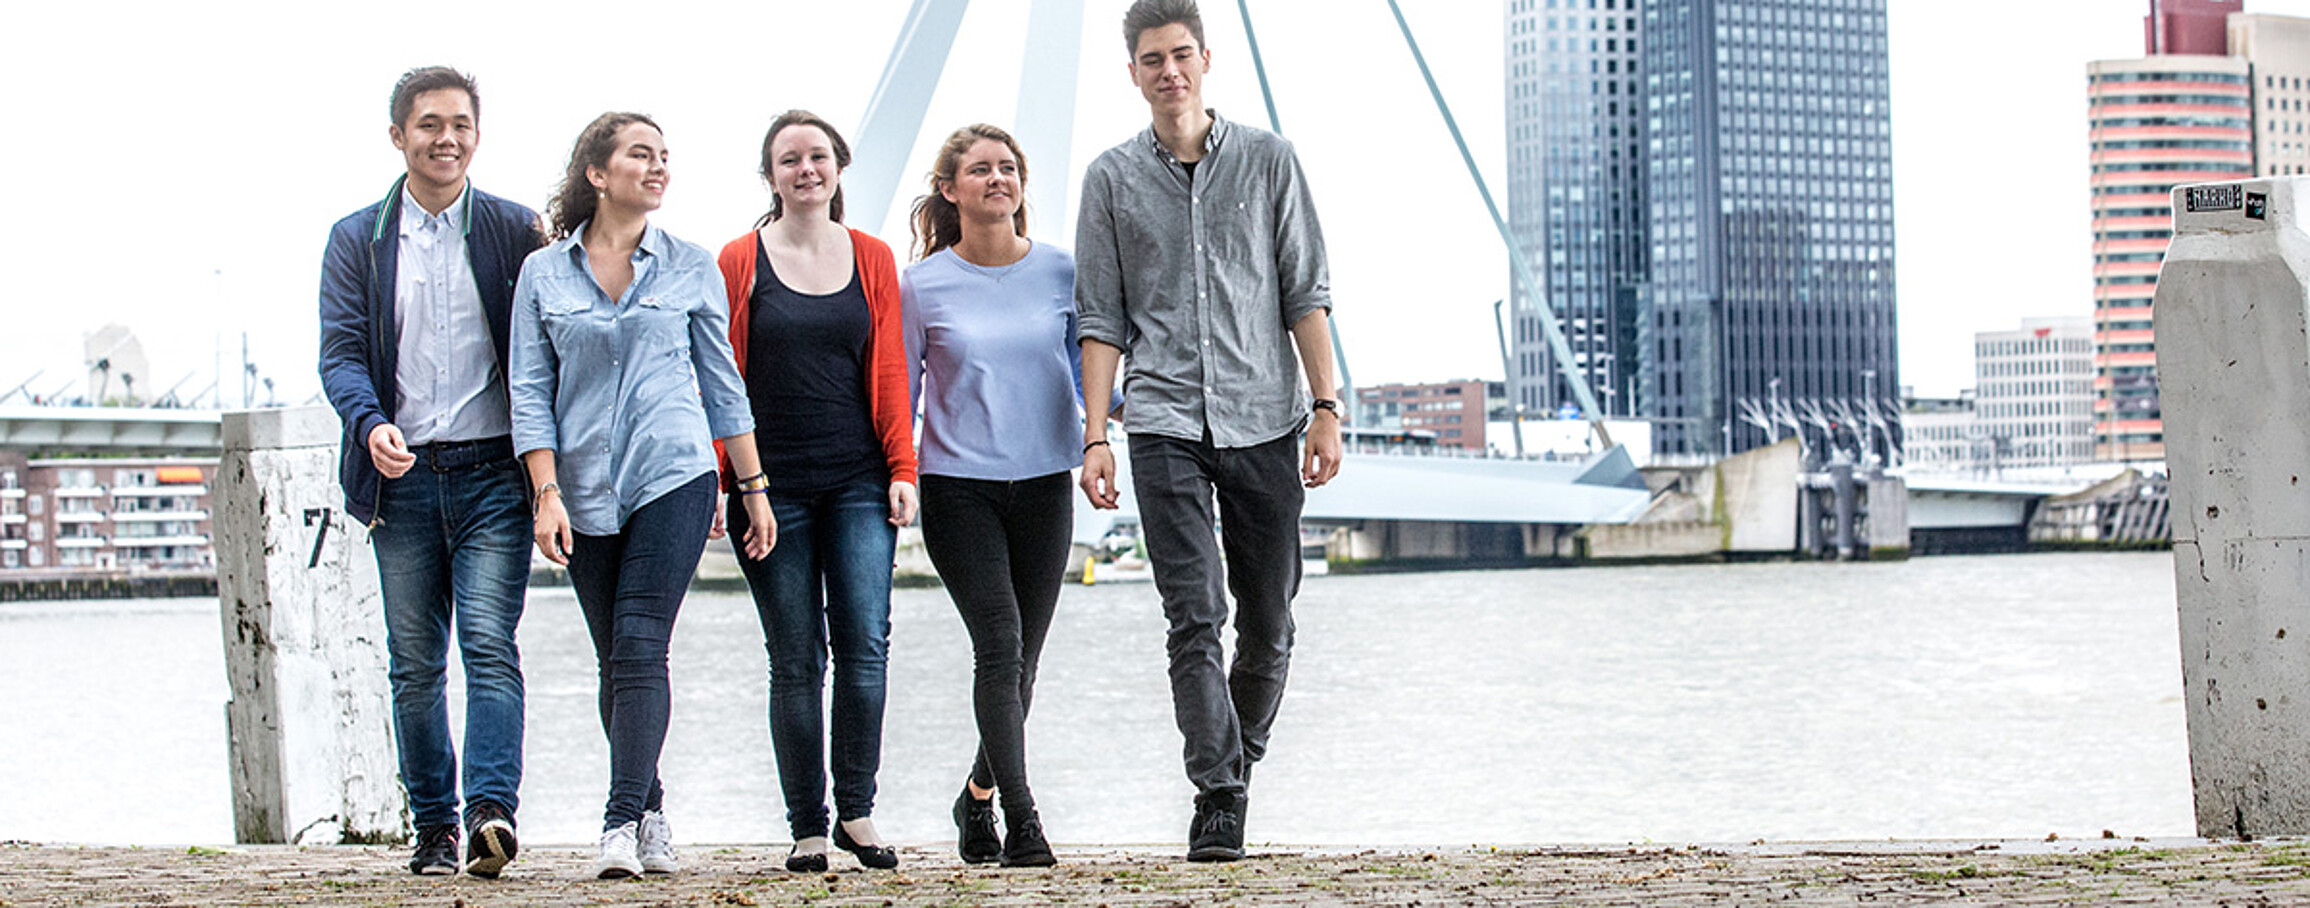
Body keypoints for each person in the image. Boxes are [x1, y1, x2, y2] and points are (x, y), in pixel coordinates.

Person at [1074, 0, 1344, 864]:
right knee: (1193, 616)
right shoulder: (1110, 180)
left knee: (1270, 622)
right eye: (1151, 59)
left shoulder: (1271, 161)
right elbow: (1101, 320)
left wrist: (1328, 407)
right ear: (1134, 74)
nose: (1168, 71)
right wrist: (1095, 435)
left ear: (1206, 59)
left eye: (1181, 54)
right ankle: (1218, 795)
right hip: (1160, 423)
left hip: (1267, 418)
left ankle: (1239, 764)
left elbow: (1305, 291)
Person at [508, 111, 776, 880]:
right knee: (615, 660)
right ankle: (652, 810)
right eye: (641, 154)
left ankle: (619, 823)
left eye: (665, 156)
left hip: (676, 474)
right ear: (598, 173)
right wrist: (545, 493)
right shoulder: (544, 275)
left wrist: (752, 486)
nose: (659, 167)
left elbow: (724, 386)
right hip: (583, 488)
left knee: (637, 643)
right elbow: (529, 391)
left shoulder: (689, 266)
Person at [317, 65, 542, 879]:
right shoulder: (358, 239)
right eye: (428, 125)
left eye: (459, 124)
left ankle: (491, 812)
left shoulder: (517, 230)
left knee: (489, 643)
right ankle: (434, 829)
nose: (445, 139)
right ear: (398, 136)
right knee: (415, 664)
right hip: (400, 478)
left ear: (476, 134)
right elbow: (340, 354)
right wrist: (369, 423)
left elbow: (546, 349)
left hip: (492, 477)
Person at [716, 110, 918, 873]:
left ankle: (858, 814)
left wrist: (903, 469)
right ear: (770, 176)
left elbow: (892, 369)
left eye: (819, 156)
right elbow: (721, 376)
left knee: (865, 645)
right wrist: (725, 479)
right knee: (795, 656)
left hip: (858, 479)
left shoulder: (871, 257)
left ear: (839, 167)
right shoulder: (739, 260)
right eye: (789, 159)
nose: (806, 169)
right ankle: (808, 826)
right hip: (769, 490)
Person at [901, 124, 1097, 868]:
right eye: (979, 170)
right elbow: (902, 388)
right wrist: (899, 473)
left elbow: (1086, 371)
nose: (997, 179)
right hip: (958, 488)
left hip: (1045, 481)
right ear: (950, 190)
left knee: (1025, 664)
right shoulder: (920, 285)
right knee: (999, 645)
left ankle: (975, 795)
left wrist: (1102, 435)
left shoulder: (1060, 272)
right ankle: (1024, 819)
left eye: (1008, 168)